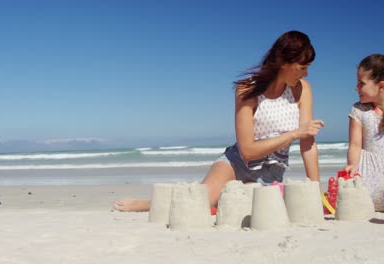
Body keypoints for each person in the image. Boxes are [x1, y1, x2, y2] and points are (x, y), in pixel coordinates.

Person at [114, 30, 325, 212]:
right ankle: (149, 204)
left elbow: (307, 143)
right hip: (236, 164)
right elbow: (247, 151)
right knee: (199, 202)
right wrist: (294, 133)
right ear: (282, 62)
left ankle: (238, 192)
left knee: (260, 205)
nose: (305, 73)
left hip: (271, 173)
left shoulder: (303, 90)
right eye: (301, 67)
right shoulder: (248, 89)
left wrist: (314, 189)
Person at [344, 54, 384, 212]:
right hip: (368, 174)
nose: (356, 88)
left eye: (361, 84)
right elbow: (355, 145)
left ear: (381, 86)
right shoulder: (359, 109)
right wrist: (352, 166)